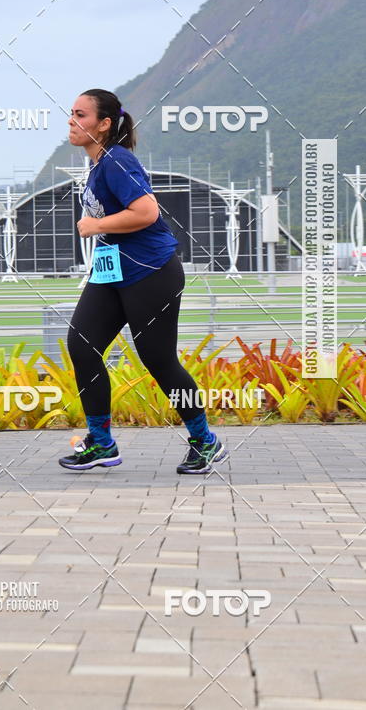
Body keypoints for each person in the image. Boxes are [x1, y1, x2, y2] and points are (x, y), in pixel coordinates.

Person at [58, 88, 228, 474]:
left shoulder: (117, 160)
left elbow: (147, 212)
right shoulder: (98, 164)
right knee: (82, 345)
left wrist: (95, 225)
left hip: (151, 271)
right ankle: (101, 443)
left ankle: (205, 441)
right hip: (112, 272)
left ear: (104, 124)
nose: (71, 120)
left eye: (81, 115)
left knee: (158, 359)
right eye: (72, 113)